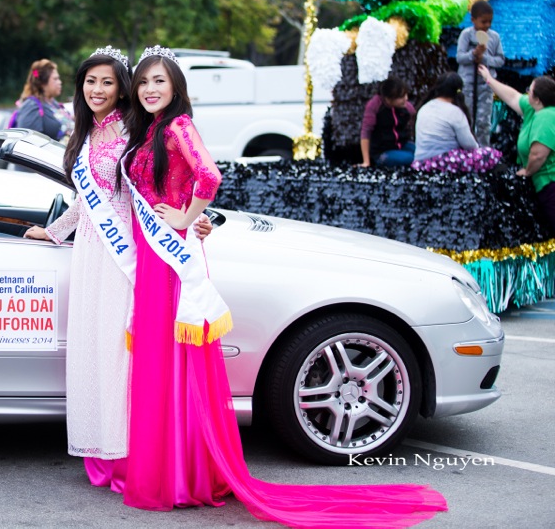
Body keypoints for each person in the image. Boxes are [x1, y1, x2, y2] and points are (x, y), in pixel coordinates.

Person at [114, 45, 447, 525]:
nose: (150, 89)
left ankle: (180, 472)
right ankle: (166, 466)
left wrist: (186, 219)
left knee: (176, 359)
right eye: (144, 82)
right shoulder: (148, 131)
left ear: (175, 88)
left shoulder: (179, 126)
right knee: (161, 358)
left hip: (171, 257)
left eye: (159, 82)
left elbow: (210, 176)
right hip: (151, 256)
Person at [23, 46, 211, 491]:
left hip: (125, 251)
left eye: (108, 82)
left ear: (122, 87)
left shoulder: (134, 129)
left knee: (119, 356)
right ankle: (99, 450)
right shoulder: (85, 134)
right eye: (91, 81)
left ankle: (127, 455)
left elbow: (161, 181)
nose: (98, 89)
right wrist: (53, 232)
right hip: (89, 251)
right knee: (90, 351)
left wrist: (191, 218)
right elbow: (84, 203)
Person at [478, 64, 555, 226]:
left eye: (530, 90)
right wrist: (489, 79)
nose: (527, 93)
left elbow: (538, 154)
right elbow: (513, 97)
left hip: (551, 186)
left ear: (538, 99)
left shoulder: (546, 117)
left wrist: (527, 171)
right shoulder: (535, 108)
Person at [412, 71, 503, 173]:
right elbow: (470, 145)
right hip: (441, 161)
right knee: (491, 154)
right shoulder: (455, 112)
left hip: (420, 161)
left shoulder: (424, 107)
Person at [457, 0, 505, 146]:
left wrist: (484, 58)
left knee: (484, 121)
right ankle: (466, 150)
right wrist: (473, 54)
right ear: (473, 20)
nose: (487, 26)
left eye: (490, 22)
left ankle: (483, 151)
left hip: (486, 85)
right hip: (467, 84)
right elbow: (459, 57)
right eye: (483, 22)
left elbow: (500, 60)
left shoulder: (494, 37)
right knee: (466, 118)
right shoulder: (466, 35)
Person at [9, 59, 74, 141]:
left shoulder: (53, 104)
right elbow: (28, 143)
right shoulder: (32, 106)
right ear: (43, 83)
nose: (59, 82)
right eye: (55, 79)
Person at [359, 75, 416, 167]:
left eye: (406, 95)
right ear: (388, 99)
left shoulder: (406, 106)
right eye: (401, 97)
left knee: (423, 154)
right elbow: (366, 132)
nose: (406, 99)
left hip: (401, 144)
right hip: (383, 151)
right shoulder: (375, 106)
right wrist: (366, 161)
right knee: (410, 158)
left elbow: (415, 119)